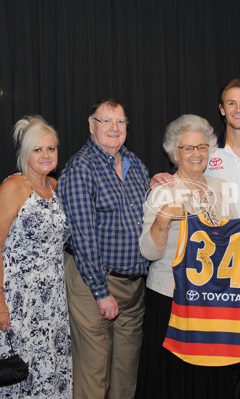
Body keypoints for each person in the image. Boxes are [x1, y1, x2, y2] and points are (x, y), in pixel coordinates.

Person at [151, 79, 240, 399]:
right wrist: (161, 176)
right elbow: (182, 175)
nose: (238, 109)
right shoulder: (207, 149)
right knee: (223, 347)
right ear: (221, 109)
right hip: (216, 262)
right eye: (231, 103)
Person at [137, 114, 240, 398]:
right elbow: (148, 252)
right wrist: (162, 220)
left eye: (202, 147)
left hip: (212, 302)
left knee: (209, 381)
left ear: (210, 149)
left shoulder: (222, 189)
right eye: (188, 148)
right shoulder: (162, 191)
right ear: (174, 152)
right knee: (174, 383)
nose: (196, 154)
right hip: (171, 298)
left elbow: (234, 250)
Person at [58, 99, 150, 399]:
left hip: (133, 287)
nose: (114, 128)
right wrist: (100, 291)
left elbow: (148, 215)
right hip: (93, 283)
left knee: (125, 375)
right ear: (91, 125)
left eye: (121, 121)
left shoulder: (135, 165)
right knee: (94, 376)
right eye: (106, 121)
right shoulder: (80, 168)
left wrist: (162, 183)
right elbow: (83, 237)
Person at [0, 116, 72, 398]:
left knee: (49, 373)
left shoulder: (57, 188)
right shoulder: (13, 188)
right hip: (16, 300)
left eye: (51, 149)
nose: (46, 155)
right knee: (16, 375)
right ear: (24, 153)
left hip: (52, 302)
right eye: (37, 149)